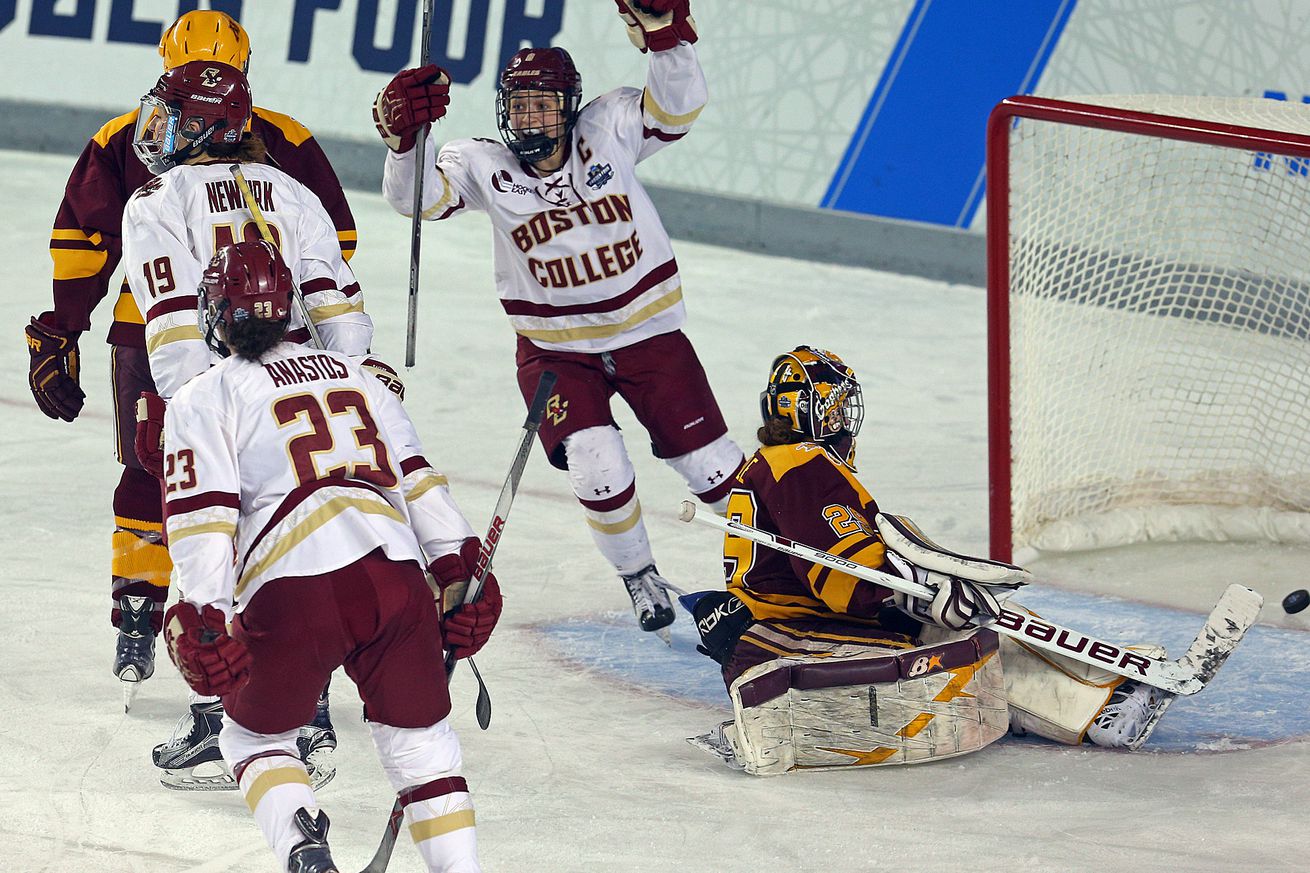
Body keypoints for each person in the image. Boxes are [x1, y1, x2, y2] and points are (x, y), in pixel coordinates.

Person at [372, 0, 741, 642]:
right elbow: (415, 201)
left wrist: (665, 35)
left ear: (571, 107)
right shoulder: (481, 163)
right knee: (595, 460)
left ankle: (779, 567)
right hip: (555, 352)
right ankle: (640, 577)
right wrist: (406, 144)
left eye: (544, 106)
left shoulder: (611, 126)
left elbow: (680, 106)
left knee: (711, 469)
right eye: (519, 107)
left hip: (647, 334)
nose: (531, 119)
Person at [23, 10, 357, 718]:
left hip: (199, 338)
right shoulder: (263, 142)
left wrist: (63, 324)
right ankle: (147, 610)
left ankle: (242, 632)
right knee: (169, 474)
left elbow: (84, 244)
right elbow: (336, 249)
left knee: (195, 475)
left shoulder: (263, 145)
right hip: (188, 337)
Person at [682, 346, 1179, 776]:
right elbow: (843, 577)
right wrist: (906, 595)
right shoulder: (802, 465)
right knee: (975, 634)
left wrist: (912, 592)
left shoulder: (776, 464)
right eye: (839, 408)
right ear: (819, 413)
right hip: (798, 634)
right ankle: (1106, 701)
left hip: (787, 629)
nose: (846, 420)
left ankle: (1093, 704)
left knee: (963, 632)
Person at [161, 239, 496, 873]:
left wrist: (203, 613)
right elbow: (418, 479)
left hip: (295, 591)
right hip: (395, 578)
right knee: (423, 749)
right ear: (286, 308)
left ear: (217, 314)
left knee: (253, 738)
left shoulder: (205, 396)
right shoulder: (357, 375)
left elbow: (205, 517)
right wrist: (459, 570)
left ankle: (302, 845)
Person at [122, 58, 374, 789]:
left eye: (171, 116)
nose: (156, 129)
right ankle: (308, 712)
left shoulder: (158, 200)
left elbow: (172, 331)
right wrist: (346, 394)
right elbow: (340, 316)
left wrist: (186, 417)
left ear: (204, 125)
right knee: (293, 545)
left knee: (211, 552)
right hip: (305, 398)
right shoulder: (294, 192)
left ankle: (226, 719)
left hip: (222, 395)